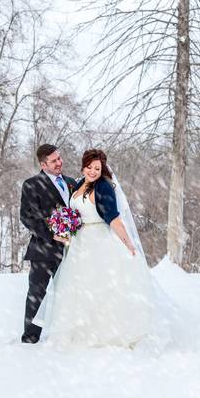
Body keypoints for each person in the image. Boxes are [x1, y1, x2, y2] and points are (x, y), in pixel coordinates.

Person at [32, 148, 157, 350]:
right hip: (79, 243)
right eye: (89, 167)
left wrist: (128, 243)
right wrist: (65, 225)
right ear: (83, 167)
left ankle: (106, 332)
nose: (92, 171)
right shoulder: (80, 184)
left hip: (99, 241)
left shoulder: (103, 187)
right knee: (79, 287)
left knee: (101, 286)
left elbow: (114, 219)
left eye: (97, 168)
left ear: (102, 169)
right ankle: (81, 330)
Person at [19, 144, 78, 344]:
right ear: (43, 164)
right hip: (43, 250)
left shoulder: (71, 183)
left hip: (72, 250)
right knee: (37, 294)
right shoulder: (32, 184)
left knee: (70, 292)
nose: (59, 162)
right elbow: (27, 217)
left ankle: (68, 332)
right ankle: (30, 337)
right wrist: (53, 235)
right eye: (54, 161)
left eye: (59, 158)